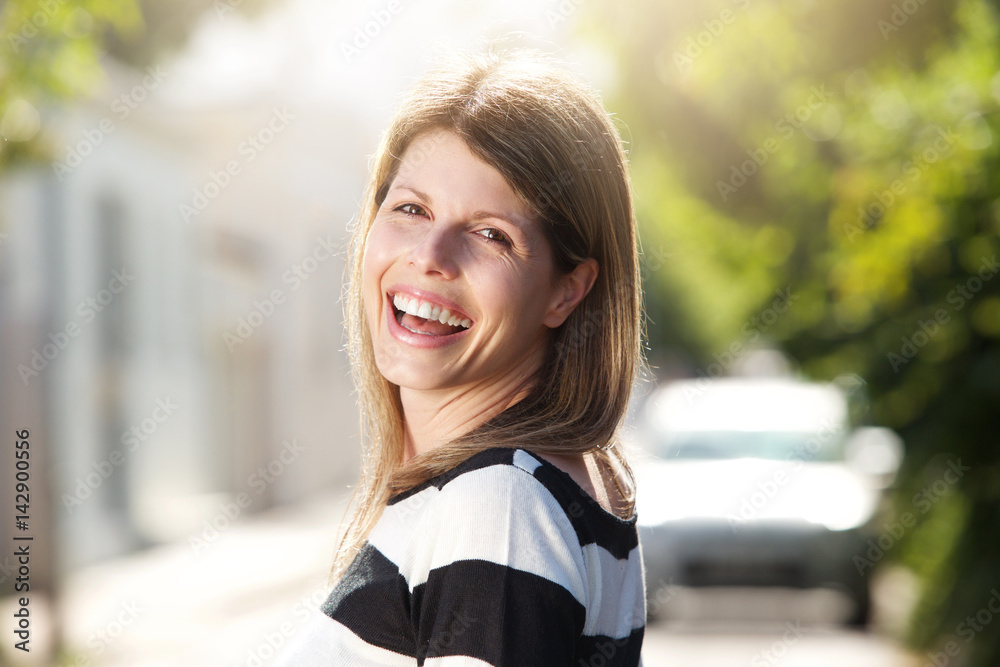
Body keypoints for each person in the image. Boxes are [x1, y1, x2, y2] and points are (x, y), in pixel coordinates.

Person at [273, 45, 648, 666]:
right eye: (412, 209)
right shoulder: (532, 488)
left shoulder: (498, 507)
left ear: (566, 290)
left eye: (491, 234)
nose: (431, 255)